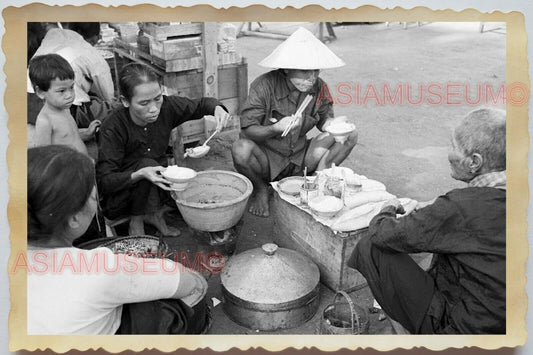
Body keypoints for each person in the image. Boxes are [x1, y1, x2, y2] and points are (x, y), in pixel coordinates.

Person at [348, 108, 506, 334]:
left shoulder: (459, 207)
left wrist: (387, 209)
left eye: (454, 147)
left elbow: (382, 234)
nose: (449, 153)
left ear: (474, 162)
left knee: (370, 247)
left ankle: (407, 338)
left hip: (465, 328)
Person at [27, 145, 209, 334]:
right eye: (92, 197)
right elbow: (187, 283)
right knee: (167, 309)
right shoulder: (100, 268)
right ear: (74, 218)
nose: (95, 203)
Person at [231, 27, 358, 217]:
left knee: (351, 134)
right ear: (287, 68)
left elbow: (324, 119)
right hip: (268, 158)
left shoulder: (319, 86)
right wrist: (275, 128)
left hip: (301, 156)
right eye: (305, 72)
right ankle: (261, 189)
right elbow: (248, 131)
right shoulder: (264, 85)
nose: (312, 78)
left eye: (315, 71)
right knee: (240, 149)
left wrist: (333, 125)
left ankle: (317, 181)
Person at [96, 62, 230, 237]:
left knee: (190, 192)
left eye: (157, 98)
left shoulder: (167, 107)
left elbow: (201, 104)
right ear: (125, 101)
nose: (154, 109)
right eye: (144, 103)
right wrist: (140, 173)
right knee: (146, 165)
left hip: (158, 181)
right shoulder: (113, 126)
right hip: (122, 195)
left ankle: (155, 215)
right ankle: (136, 222)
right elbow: (105, 181)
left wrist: (217, 108)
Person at [28, 53, 89, 155]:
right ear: (40, 92)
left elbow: (68, 136)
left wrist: (87, 133)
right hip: (66, 169)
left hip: (82, 165)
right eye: (61, 91)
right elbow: (44, 154)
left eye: (71, 88)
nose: (69, 95)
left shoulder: (65, 109)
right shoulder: (45, 121)